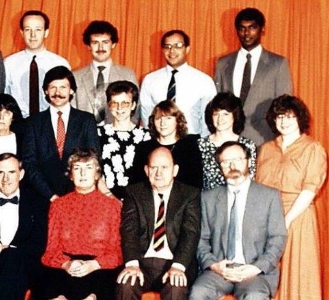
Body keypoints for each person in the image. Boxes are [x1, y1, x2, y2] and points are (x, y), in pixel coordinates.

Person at [190, 141, 286, 300]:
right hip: (220, 271)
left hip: (255, 272)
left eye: (237, 159)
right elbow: (201, 239)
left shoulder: (269, 196)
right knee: (198, 292)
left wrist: (255, 268)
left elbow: (278, 238)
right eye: (225, 162)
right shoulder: (208, 198)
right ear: (220, 166)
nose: (232, 165)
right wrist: (215, 266)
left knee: (254, 296)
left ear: (248, 161)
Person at [256, 95, 327, 300]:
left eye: (289, 116)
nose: (284, 122)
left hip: (298, 218)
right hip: (269, 218)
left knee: (299, 275)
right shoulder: (266, 149)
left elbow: (309, 190)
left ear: (299, 119)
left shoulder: (312, 148)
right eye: (279, 117)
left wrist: (285, 221)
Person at [117, 147, 201, 300]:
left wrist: (178, 266)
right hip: (142, 262)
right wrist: (132, 264)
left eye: (164, 167)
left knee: (176, 286)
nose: (158, 173)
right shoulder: (134, 193)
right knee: (127, 283)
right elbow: (129, 230)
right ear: (146, 170)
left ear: (174, 170)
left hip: (174, 261)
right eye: (154, 167)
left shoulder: (189, 194)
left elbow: (191, 233)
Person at [41, 147, 122, 300]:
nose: (83, 173)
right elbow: (50, 250)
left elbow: (116, 252)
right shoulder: (58, 205)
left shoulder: (113, 206)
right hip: (65, 267)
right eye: (77, 168)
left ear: (97, 174)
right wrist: (66, 264)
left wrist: (93, 265)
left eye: (88, 167)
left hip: (99, 268)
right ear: (70, 175)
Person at [0, 153, 48, 300]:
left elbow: (39, 244)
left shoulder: (38, 202)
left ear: (21, 174)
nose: (6, 179)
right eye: (1, 173)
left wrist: (7, 251)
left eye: (11, 172)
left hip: (26, 267)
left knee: (11, 260)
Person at [214, 8, 293, 146]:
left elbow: (284, 106)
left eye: (252, 28)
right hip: (229, 141)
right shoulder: (223, 64)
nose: (246, 33)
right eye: (242, 28)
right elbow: (218, 104)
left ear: (262, 30)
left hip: (265, 140)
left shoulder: (278, 63)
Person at [22, 66, 99, 201]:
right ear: (46, 91)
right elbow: (29, 163)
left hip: (80, 196)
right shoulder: (33, 123)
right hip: (42, 197)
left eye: (63, 87)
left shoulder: (86, 120)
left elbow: (94, 159)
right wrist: (51, 196)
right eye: (53, 87)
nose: (58, 92)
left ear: (72, 90)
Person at [140, 30, 216, 135]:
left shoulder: (204, 81)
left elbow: (208, 119)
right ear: (162, 50)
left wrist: (201, 145)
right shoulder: (150, 80)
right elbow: (146, 117)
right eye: (167, 46)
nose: (172, 51)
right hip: (159, 142)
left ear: (187, 49)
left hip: (192, 142)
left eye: (178, 46)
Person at [3, 10, 71, 118]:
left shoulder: (60, 63)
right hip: (18, 123)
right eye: (27, 30)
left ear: (46, 32)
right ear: (21, 32)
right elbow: (4, 97)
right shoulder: (9, 63)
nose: (33, 35)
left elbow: (68, 99)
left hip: (51, 122)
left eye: (38, 30)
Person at [72, 20, 138, 124]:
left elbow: (135, 111)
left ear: (113, 44)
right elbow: (72, 112)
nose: (100, 48)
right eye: (95, 43)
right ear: (88, 46)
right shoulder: (75, 77)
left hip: (118, 135)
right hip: (85, 136)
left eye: (105, 42)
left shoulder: (127, 74)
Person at [130, 100, 203, 189]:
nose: (162, 123)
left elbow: (195, 184)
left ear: (177, 120)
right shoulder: (143, 148)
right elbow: (136, 184)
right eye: (158, 119)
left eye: (168, 118)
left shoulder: (190, 147)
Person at [97, 80, 151, 200]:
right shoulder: (98, 134)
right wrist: (110, 198)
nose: (119, 108)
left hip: (137, 202)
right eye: (114, 103)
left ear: (133, 105)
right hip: (105, 200)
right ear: (109, 105)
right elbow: (95, 172)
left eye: (125, 103)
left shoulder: (145, 136)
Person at [197, 93, 257, 191]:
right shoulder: (200, 145)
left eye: (225, 114)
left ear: (235, 116)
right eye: (216, 114)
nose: (220, 119)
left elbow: (251, 178)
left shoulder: (247, 144)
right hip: (209, 202)